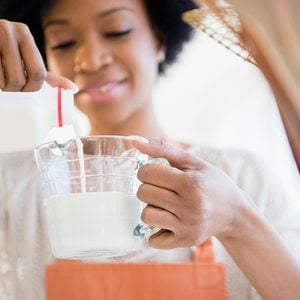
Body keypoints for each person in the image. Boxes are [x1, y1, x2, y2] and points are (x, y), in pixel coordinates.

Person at [0, 0, 300, 299]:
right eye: (63, 42)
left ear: (159, 39)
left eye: (117, 31)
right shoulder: (11, 185)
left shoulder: (241, 176)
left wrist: (236, 220)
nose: (90, 60)